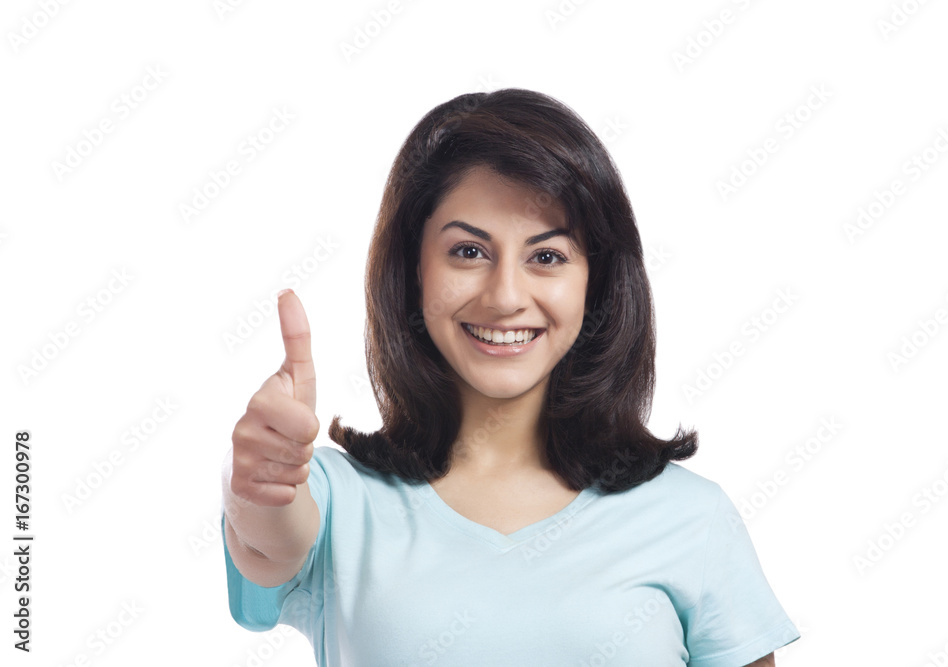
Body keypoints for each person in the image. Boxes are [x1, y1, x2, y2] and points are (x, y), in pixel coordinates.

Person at [220, 88, 800, 666]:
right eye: (468, 252)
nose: (504, 297)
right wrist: (255, 484)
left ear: (595, 282)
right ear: (413, 271)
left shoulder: (690, 518)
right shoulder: (337, 497)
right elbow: (268, 542)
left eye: (547, 257)